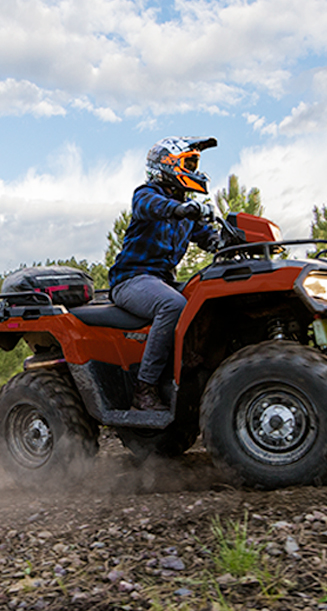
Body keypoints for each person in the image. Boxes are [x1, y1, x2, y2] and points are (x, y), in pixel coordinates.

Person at [108, 136, 223, 411]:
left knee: (208, 294)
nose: (194, 170)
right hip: (131, 280)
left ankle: (190, 364)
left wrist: (229, 241)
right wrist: (183, 209)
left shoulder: (186, 211)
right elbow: (152, 207)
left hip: (162, 281)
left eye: (195, 163)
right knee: (172, 304)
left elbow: (209, 238)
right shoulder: (147, 195)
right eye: (189, 163)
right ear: (167, 166)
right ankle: (144, 387)